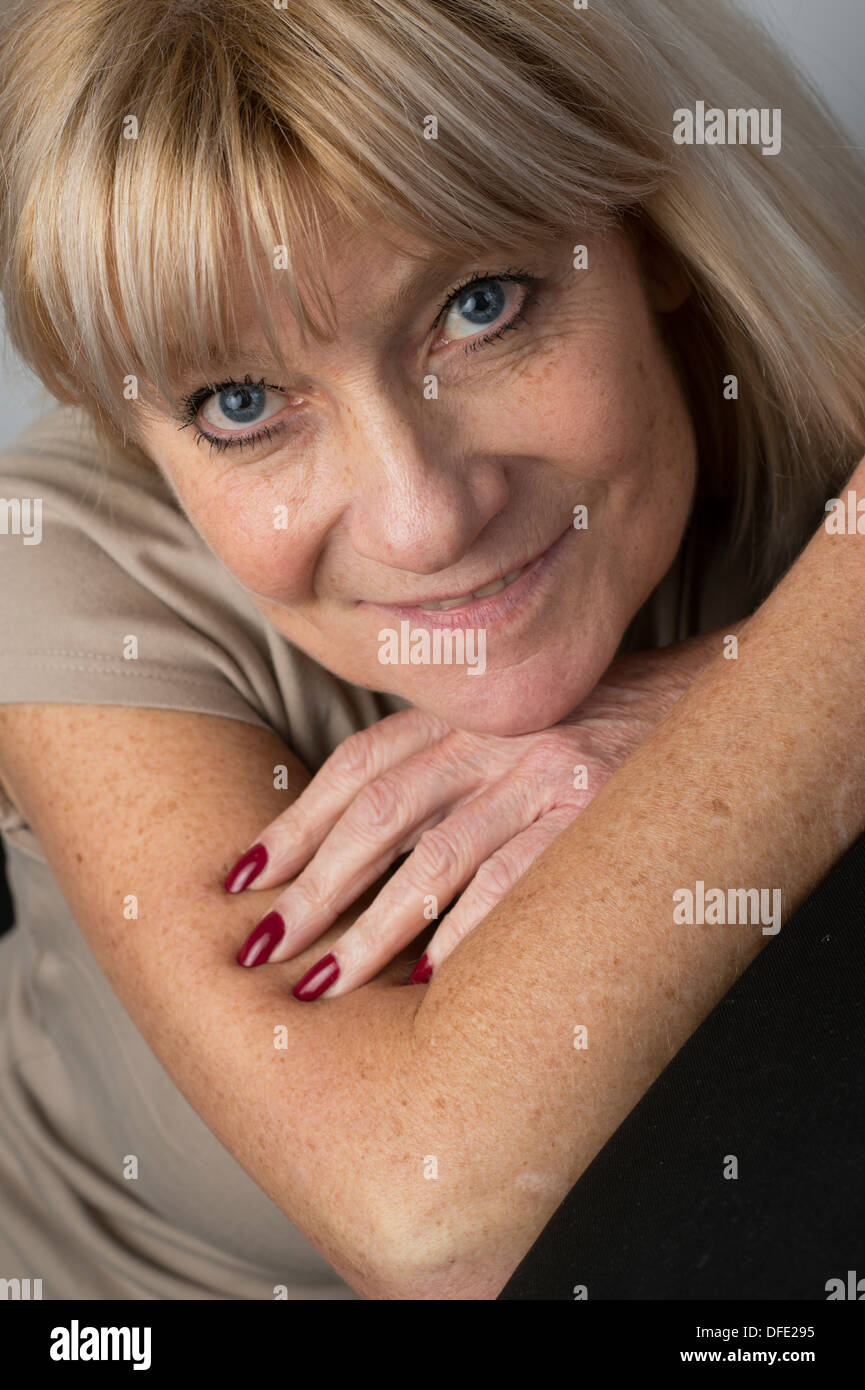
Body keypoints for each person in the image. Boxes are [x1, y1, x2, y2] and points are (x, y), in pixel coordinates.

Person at [0, 0, 863, 1300]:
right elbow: (436, 1213)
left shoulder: (804, 403)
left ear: (650, 229)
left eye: (479, 304)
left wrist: (708, 689)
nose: (421, 518)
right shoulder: (50, 555)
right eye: (242, 405)